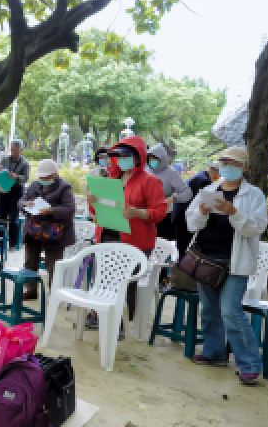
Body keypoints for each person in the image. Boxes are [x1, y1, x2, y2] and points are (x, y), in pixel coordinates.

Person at [186, 146, 267, 384]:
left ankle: (250, 364)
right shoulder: (209, 190)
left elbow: (256, 227)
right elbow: (191, 224)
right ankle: (214, 352)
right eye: (224, 162)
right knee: (209, 309)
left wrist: (234, 212)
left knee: (231, 312)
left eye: (234, 164)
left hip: (235, 262)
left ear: (245, 168)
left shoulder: (254, 195)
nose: (227, 167)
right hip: (207, 258)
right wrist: (201, 212)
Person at [85, 135, 167, 336]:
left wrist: (139, 212)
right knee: (102, 279)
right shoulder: (111, 179)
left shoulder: (150, 181)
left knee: (126, 283)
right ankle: (97, 315)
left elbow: (160, 212)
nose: (121, 159)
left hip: (134, 241)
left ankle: (121, 324)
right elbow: (96, 211)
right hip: (107, 236)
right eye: (118, 156)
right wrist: (93, 201)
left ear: (139, 157)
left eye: (126, 156)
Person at [19, 159, 76, 300]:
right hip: (34, 229)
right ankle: (31, 290)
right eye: (41, 177)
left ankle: (54, 294)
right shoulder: (34, 185)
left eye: (46, 177)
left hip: (55, 232)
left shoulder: (64, 187)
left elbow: (70, 209)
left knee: (53, 265)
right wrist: (25, 203)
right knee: (30, 261)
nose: (43, 180)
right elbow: (20, 201)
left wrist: (51, 210)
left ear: (54, 175)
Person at [146, 144, 192, 241]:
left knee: (160, 243)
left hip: (162, 215)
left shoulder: (171, 173)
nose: (151, 161)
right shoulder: (145, 169)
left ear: (162, 159)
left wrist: (173, 199)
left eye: (154, 158)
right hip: (144, 212)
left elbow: (187, 193)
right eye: (149, 158)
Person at [175, 161, 220, 257]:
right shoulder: (204, 180)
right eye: (218, 172)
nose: (219, 175)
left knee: (182, 243)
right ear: (211, 169)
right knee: (185, 244)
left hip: (182, 212)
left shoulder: (202, 175)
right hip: (184, 214)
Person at [0, 139, 31, 249]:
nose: (13, 152)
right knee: (0, 215)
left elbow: (26, 178)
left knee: (13, 217)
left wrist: (16, 176)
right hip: (4, 188)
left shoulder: (25, 163)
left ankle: (13, 243)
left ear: (21, 150)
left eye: (15, 150)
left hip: (16, 190)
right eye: (12, 150)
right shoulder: (5, 159)